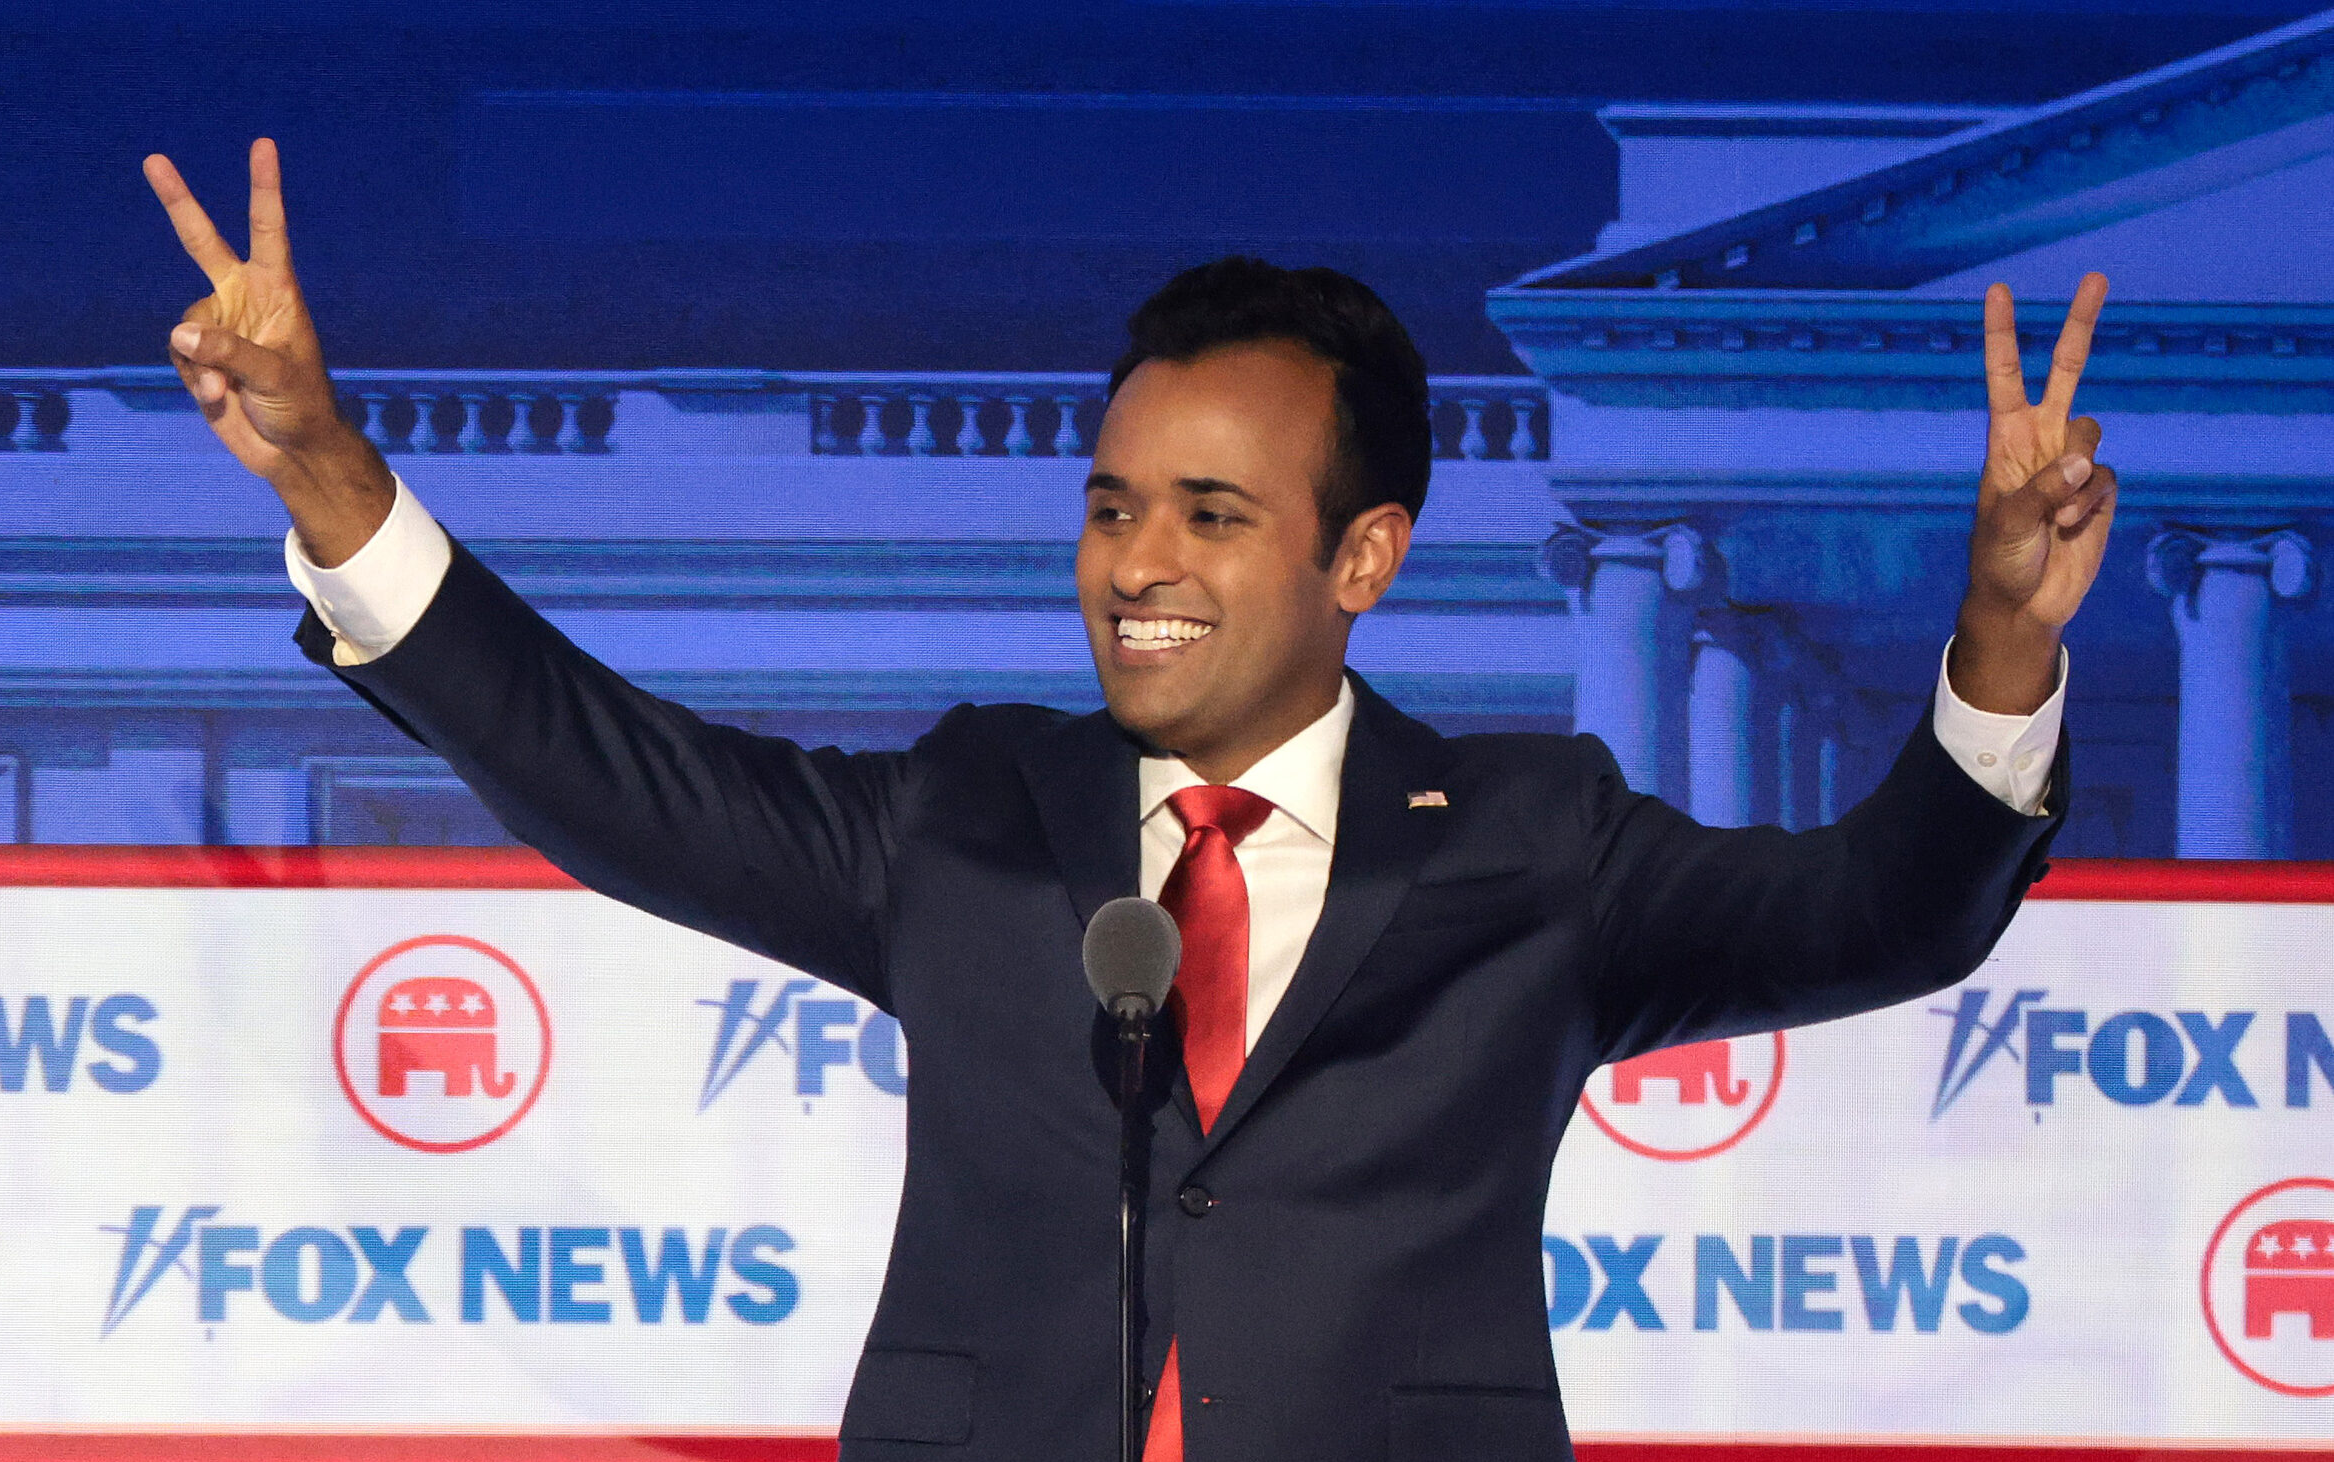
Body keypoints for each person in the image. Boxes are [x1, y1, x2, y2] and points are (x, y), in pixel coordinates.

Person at [145, 138, 2113, 1462]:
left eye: (1212, 513)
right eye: (1113, 506)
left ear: (1363, 556)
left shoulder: (1536, 838)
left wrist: (2001, 640)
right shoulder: (973, 811)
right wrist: (331, 478)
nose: (1136, 562)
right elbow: (614, 775)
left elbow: (1884, 908)